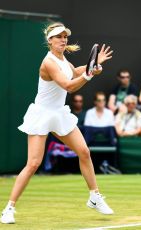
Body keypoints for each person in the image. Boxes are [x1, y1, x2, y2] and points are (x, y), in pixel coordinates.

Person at [1, 23, 114, 224]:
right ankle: (8, 208)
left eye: (65, 36)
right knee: (33, 163)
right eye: (58, 36)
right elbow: (69, 86)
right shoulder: (49, 62)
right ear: (50, 40)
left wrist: (92, 66)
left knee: (84, 152)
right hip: (42, 114)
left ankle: (95, 197)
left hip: (59, 113)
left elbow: (74, 71)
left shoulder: (63, 59)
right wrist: (89, 74)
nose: (63, 39)